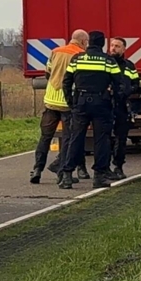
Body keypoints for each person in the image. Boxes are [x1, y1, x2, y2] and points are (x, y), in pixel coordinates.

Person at [59, 31, 122, 190]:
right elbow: (119, 84)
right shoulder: (109, 61)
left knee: (76, 138)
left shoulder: (77, 59)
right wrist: (114, 101)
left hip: (80, 102)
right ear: (103, 44)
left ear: (88, 43)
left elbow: (66, 82)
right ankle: (99, 176)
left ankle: (67, 175)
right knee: (101, 140)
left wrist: (71, 102)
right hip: (101, 103)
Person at [33, 29, 87, 184]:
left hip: (50, 99)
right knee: (68, 138)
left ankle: (37, 169)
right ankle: (62, 172)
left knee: (45, 137)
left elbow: (48, 73)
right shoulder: (80, 55)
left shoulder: (55, 51)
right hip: (67, 102)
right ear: (83, 41)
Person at [108, 36, 141, 181]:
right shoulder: (105, 63)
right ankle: (104, 168)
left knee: (121, 139)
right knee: (105, 139)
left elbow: (136, 83)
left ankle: (118, 167)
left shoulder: (129, 66)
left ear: (123, 49)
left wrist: (128, 90)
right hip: (106, 105)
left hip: (122, 106)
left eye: (117, 46)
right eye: (112, 45)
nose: (113, 48)